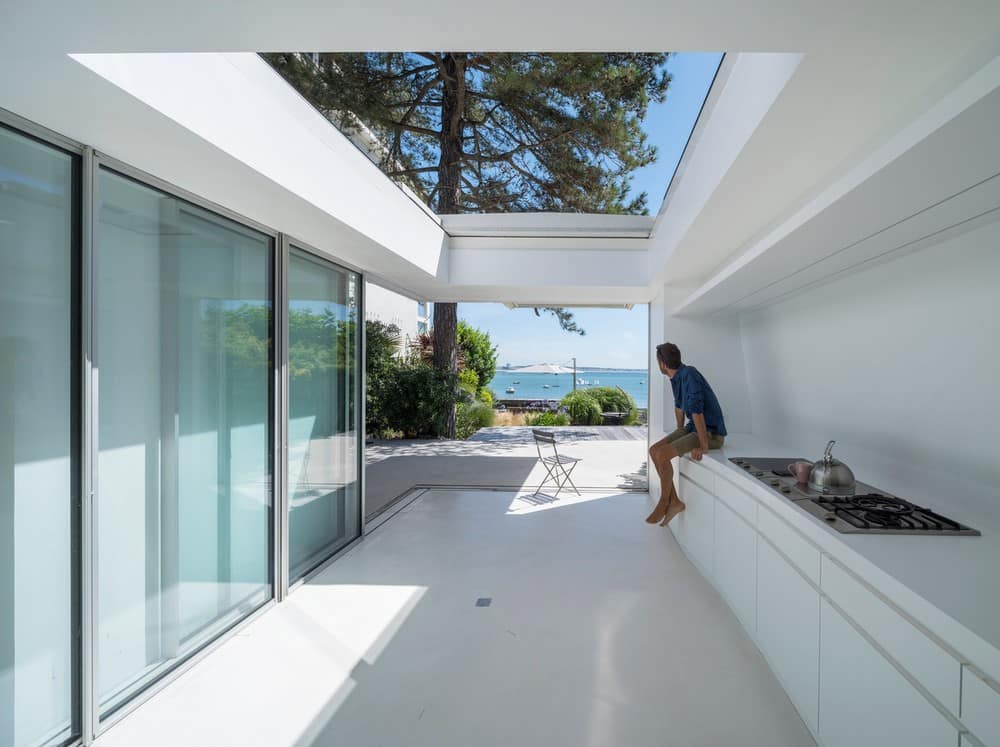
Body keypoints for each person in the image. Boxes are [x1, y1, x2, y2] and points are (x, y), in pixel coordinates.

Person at [646, 342, 727, 526]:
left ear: (662, 364)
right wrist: (680, 428)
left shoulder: (689, 374)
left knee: (663, 454)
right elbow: (679, 405)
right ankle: (674, 502)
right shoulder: (676, 377)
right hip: (693, 428)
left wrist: (704, 445)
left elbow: (697, 411)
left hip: (711, 432)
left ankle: (665, 501)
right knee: (654, 450)